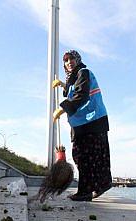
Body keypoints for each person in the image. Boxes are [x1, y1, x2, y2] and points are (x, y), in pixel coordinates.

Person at [52, 50, 112, 201]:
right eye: (66, 61)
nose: (69, 62)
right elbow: (74, 90)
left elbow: (81, 94)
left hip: (91, 121)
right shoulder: (77, 76)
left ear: (78, 60)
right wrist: (62, 85)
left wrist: (62, 109)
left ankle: (85, 192)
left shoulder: (83, 72)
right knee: (95, 156)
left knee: (83, 156)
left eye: (72, 59)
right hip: (90, 122)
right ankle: (101, 184)